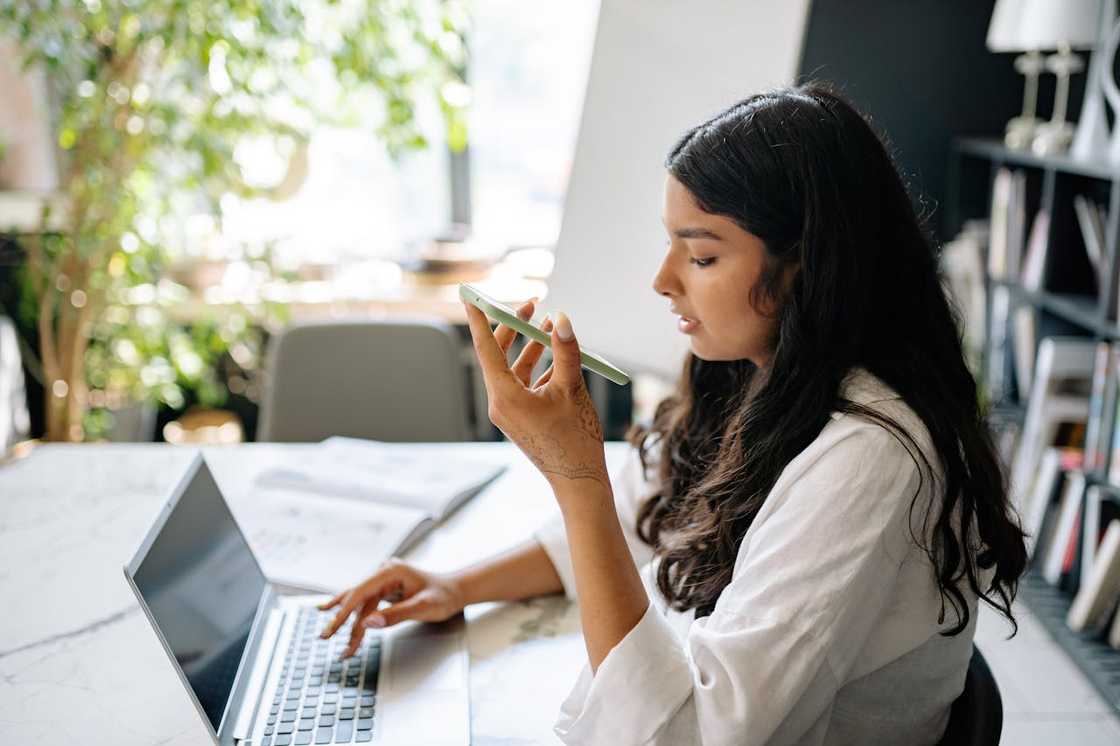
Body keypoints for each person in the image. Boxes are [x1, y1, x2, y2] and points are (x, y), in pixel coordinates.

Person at [319, 82, 1027, 745]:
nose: (663, 281)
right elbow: (635, 521)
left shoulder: (870, 455)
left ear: (805, 265)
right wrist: (457, 586)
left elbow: (689, 734)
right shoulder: (754, 379)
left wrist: (574, 474)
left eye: (702, 256)